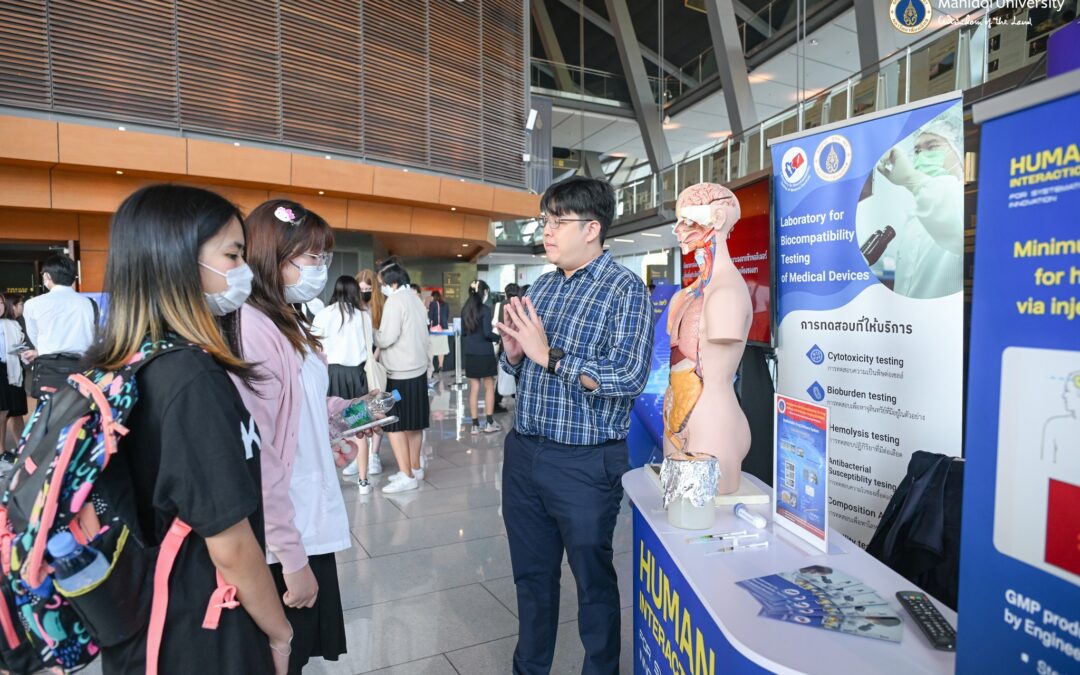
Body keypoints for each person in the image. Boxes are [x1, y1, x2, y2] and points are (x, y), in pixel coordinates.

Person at [85, 184, 292, 674]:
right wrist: (281, 632)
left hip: (142, 620)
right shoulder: (191, 379)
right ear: (178, 261)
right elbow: (231, 545)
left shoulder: (122, 363)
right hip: (199, 631)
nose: (242, 270)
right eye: (232, 254)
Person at [496, 176, 653, 674]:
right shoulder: (543, 285)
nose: (546, 230)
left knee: (593, 581)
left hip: (585, 463)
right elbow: (529, 367)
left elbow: (628, 375)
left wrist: (550, 358)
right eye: (545, 220)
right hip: (525, 454)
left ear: (592, 228)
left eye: (557, 221)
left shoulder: (623, 290)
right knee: (532, 577)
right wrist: (517, 356)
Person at [234, 199, 351, 673]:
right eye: (311, 258)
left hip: (306, 522)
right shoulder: (254, 331)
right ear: (270, 257)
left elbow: (293, 413)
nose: (320, 269)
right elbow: (258, 455)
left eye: (324, 258)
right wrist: (290, 556)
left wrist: (333, 420)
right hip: (286, 535)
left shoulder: (289, 321)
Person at [873, 113, 964, 299]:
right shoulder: (915, 214)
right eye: (916, 151)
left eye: (932, 146)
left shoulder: (964, 199)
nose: (922, 155)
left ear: (958, 149)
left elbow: (953, 223)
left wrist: (914, 181)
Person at [312, 276, 377, 494]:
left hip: (330, 373)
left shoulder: (323, 314)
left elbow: (314, 345)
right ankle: (363, 481)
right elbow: (371, 344)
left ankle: (329, 481)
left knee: (329, 428)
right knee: (360, 425)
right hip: (356, 374)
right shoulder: (363, 316)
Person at [374, 258, 431, 494]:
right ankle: (415, 468)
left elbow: (387, 338)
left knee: (395, 422)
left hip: (399, 374)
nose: (381, 289)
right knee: (414, 423)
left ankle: (406, 475)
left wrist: (373, 333)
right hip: (417, 371)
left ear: (392, 283)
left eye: (381, 284)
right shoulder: (416, 299)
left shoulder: (395, 301)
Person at [21, 254, 97, 397]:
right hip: (83, 369)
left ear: (47, 276)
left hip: (48, 370)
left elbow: (35, 338)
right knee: (81, 412)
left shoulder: (32, 304)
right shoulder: (89, 303)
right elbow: (94, 336)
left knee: (48, 413)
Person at [461, 280, 501, 435]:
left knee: (474, 388)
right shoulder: (485, 309)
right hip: (484, 353)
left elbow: (464, 333)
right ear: (483, 292)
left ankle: (475, 425)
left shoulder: (465, 309)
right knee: (489, 386)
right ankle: (489, 422)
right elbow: (486, 333)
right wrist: (498, 338)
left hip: (470, 352)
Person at [0, 293, 27, 456]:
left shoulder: (11, 325)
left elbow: (16, 347)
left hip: (12, 370)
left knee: (15, 411)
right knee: (2, 412)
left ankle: (22, 448)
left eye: (1, 302)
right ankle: (1, 451)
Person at [492, 283, 520, 414]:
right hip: (520, 344)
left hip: (505, 344)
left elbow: (499, 324)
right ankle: (518, 400)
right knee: (518, 375)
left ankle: (496, 401)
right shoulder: (520, 303)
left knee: (504, 373)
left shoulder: (502, 304)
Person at [428, 290, 450, 373]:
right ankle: (441, 366)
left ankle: (431, 367)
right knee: (441, 348)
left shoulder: (433, 304)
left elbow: (430, 316)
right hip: (443, 328)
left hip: (434, 329)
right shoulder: (446, 304)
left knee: (432, 348)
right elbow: (447, 315)